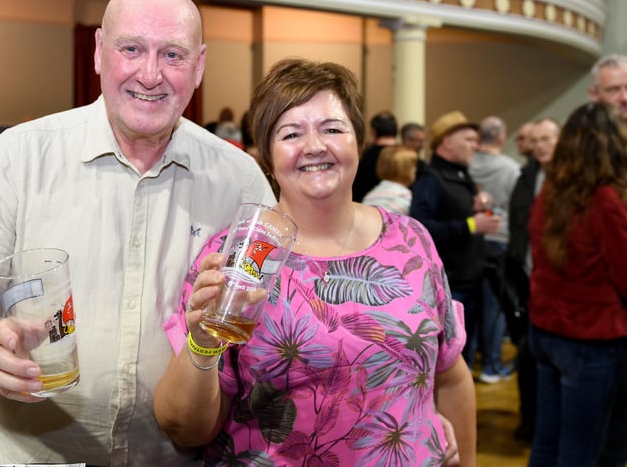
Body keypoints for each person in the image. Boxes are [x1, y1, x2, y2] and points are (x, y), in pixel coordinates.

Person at [0, 0, 275, 466]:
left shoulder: (240, 182)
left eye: (172, 54)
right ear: (99, 53)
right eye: (131, 48)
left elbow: (266, 338)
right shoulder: (20, 158)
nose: (150, 74)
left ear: (200, 66)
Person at [154, 58, 476, 466]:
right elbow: (185, 427)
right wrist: (202, 343)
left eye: (332, 128)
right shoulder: (241, 255)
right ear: (267, 156)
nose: (314, 146)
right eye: (290, 133)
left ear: (357, 141)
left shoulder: (411, 240)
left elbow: (451, 373)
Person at [527, 102, 627, 466]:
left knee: (547, 442)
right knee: (582, 452)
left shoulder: (552, 192)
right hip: (590, 339)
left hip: (548, 330)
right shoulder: (605, 199)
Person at [410, 111, 501, 368]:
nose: (477, 145)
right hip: (450, 281)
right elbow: (421, 228)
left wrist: (476, 205)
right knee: (452, 363)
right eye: (470, 139)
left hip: (470, 274)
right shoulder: (431, 179)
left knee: (466, 358)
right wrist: (471, 224)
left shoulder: (462, 176)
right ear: (447, 142)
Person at [588, 53, 627, 466]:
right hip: (600, 303)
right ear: (595, 95)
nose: (625, 98)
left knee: (626, 408)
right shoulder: (582, 150)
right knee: (606, 411)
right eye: (615, 90)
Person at [505, 117, 560, 443]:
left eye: (547, 139)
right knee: (528, 354)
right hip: (528, 277)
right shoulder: (526, 176)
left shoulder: (570, 177)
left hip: (559, 280)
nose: (540, 146)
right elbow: (518, 224)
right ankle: (531, 420)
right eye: (535, 140)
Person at [468, 115, 520, 383]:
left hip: (472, 238)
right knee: (494, 305)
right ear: (502, 137)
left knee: (471, 305)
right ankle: (491, 366)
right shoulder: (511, 168)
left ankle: (468, 364)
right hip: (499, 238)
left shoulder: (469, 164)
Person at [352, 110, 398, 201]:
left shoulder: (363, 158)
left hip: (367, 210)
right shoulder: (408, 157)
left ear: (373, 132)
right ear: (396, 131)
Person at [361, 145, 417, 214]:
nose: (415, 170)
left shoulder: (371, 194)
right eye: (413, 166)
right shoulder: (404, 195)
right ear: (406, 170)